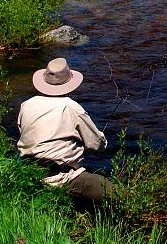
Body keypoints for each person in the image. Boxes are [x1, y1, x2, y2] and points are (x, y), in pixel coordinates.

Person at [17, 57, 113, 203]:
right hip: (62, 178)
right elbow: (96, 145)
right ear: (69, 83)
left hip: (28, 173)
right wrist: (102, 140)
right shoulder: (71, 107)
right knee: (118, 195)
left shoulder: (26, 105)